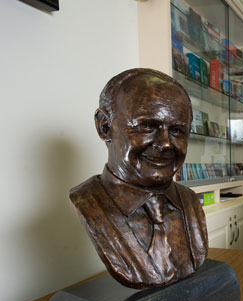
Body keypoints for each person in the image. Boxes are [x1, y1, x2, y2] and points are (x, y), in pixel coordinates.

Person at [69, 68, 208, 289]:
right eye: (147, 126)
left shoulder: (190, 203)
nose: (164, 143)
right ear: (105, 127)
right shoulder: (87, 202)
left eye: (177, 131)